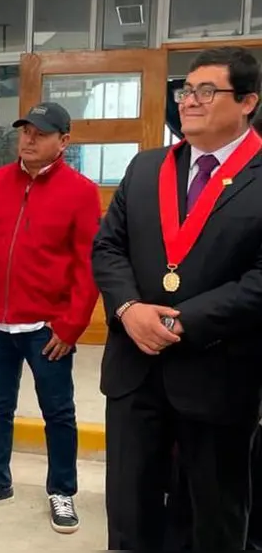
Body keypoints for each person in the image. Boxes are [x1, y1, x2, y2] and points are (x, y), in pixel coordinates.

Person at [93, 46, 262, 550]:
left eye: (207, 91)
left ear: (248, 100)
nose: (190, 101)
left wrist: (182, 321)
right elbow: (108, 247)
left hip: (218, 376)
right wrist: (128, 309)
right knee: (130, 514)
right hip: (134, 373)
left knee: (214, 517)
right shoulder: (146, 169)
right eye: (186, 91)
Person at [0, 102, 100, 535]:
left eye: (40, 132)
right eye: (25, 130)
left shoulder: (81, 192)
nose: (28, 139)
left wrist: (71, 325)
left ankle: (62, 491)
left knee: (58, 411)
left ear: (63, 141)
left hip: (46, 328)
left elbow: (88, 265)